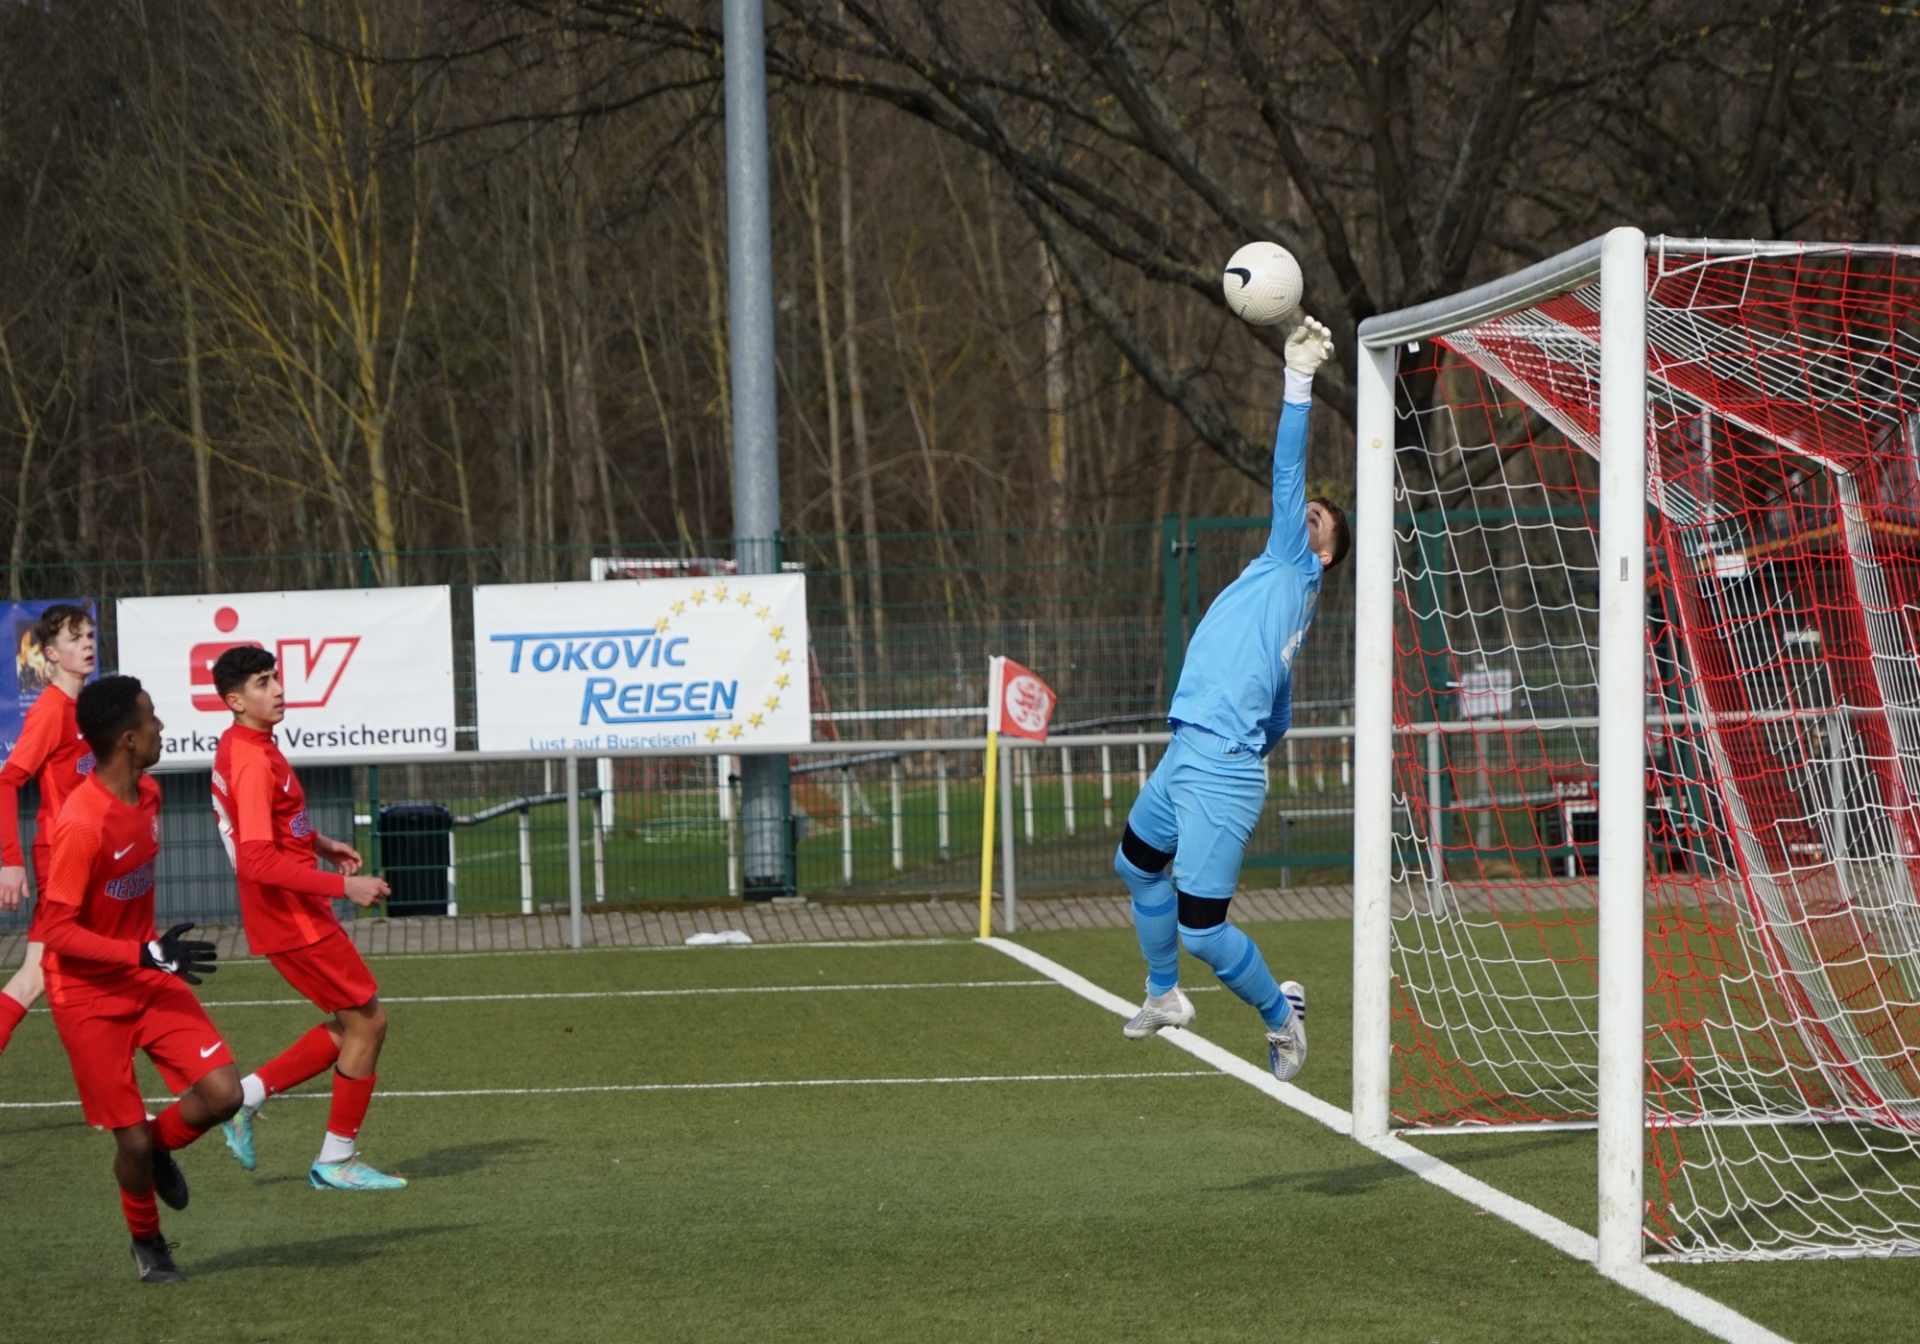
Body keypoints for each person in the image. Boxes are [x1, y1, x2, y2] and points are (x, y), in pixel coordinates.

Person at [1114, 317, 1351, 1081]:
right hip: (1192, 753)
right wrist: (1238, 744)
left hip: (1213, 766)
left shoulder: (1294, 566)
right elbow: (1278, 709)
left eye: (1320, 521)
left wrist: (1298, 380)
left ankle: (1283, 1018)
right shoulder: (1280, 590)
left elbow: (1287, 469)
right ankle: (1163, 994)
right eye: (1309, 510)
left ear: (1324, 554)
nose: (1305, 512)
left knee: (1206, 933)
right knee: (1137, 865)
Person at [39, 674, 237, 1283]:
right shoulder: (79, 825)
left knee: (223, 1095)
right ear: (127, 739)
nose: (162, 728)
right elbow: (57, 932)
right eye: (152, 719)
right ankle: (148, 1243)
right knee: (128, 1145)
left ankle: (160, 1149)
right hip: (86, 995)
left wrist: (147, 957)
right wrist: (141, 954)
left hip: (144, 974)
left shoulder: (149, 794)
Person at [208, 645, 403, 1190]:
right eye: (263, 683)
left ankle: (243, 1099)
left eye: (276, 678)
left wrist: (320, 843)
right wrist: (346, 885)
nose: (277, 690)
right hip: (291, 915)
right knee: (369, 1023)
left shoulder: (245, 743)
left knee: (351, 1027)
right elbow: (256, 858)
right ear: (235, 700)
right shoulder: (249, 756)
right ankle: (336, 1159)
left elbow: (271, 826)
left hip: (292, 912)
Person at [0, 603, 98, 1061]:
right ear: (51, 655)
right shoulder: (51, 710)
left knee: (50, 972)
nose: (87, 644)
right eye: (75, 638)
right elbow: (7, 781)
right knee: (39, 973)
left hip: (90, 856)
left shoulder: (91, 709)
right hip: (62, 857)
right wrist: (11, 860)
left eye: (90, 635)